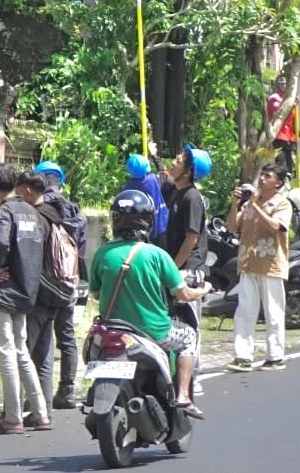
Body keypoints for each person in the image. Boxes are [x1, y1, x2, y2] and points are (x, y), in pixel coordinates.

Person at [90, 190, 209, 418]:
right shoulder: (158, 255)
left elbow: (95, 293)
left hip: (111, 330)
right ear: (148, 221)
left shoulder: (102, 254)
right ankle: (183, 395)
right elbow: (183, 294)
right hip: (154, 331)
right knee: (189, 338)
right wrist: (203, 290)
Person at [0, 164, 50, 436]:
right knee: (21, 351)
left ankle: (12, 417)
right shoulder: (32, 212)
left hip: (2, 293)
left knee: (6, 352)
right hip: (26, 290)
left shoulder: (5, 211)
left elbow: (2, 244)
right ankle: (41, 413)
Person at [26, 161, 87, 411]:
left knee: (40, 339)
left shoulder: (39, 209)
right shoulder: (75, 212)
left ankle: (37, 394)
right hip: (69, 281)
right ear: (60, 181)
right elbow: (80, 250)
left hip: (45, 284)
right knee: (67, 337)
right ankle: (67, 391)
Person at [226, 163, 292, 371]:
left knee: (273, 312)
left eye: (268, 176)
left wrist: (254, 205)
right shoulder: (249, 204)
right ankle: (243, 356)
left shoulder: (282, 204)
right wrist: (235, 204)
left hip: (271, 265)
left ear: (278, 183)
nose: (262, 179)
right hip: (248, 263)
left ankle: (275, 356)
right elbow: (233, 227)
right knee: (244, 311)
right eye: (261, 175)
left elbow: (275, 227)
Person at [161, 144, 212, 358]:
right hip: (179, 268)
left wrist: (172, 268)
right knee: (174, 322)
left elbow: (191, 239)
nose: (174, 162)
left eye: (179, 161)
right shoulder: (178, 193)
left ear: (189, 172)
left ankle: (192, 377)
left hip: (188, 270)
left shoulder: (191, 197)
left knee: (189, 324)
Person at [121, 153, 168, 239]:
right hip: (162, 228)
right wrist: (154, 154)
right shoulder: (153, 179)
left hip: (142, 232)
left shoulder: (127, 189)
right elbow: (164, 172)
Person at [265, 76, 300, 178]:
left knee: (289, 170)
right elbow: (280, 114)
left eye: (285, 83)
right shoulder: (275, 98)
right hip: (278, 138)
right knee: (280, 168)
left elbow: (292, 124)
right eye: (281, 83)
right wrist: (292, 104)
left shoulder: (291, 101)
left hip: (289, 140)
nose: (283, 85)